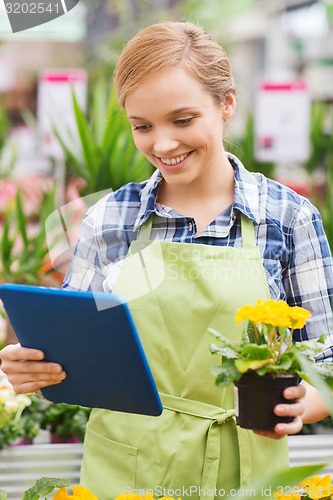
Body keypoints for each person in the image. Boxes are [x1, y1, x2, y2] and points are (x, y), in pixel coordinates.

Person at [1, 21, 333, 500]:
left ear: (226, 105)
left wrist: (306, 404)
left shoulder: (287, 217)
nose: (162, 145)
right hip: (126, 471)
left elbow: (327, 360)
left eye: (182, 120)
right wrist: (32, 368)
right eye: (142, 126)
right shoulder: (109, 219)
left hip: (247, 468)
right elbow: (75, 351)